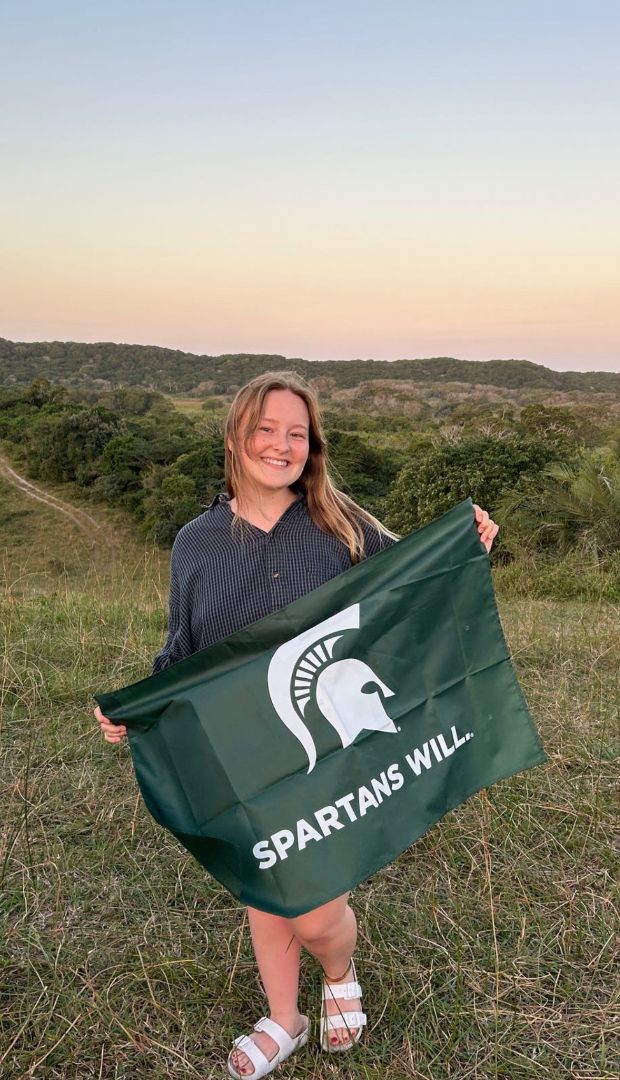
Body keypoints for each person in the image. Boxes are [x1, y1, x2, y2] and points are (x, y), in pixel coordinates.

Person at [95, 371, 499, 1078]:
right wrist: (133, 706)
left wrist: (468, 551)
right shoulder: (196, 543)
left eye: (297, 433)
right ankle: (285, 1016)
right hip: (241, 749)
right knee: (263, 880)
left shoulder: (342, 525)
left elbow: (411, 589)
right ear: (235, 435)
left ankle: (339, 974)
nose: (281, 445)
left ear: (311, 446)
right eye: (266, 429)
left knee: (312, 910)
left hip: (326, 748)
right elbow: (181, 650)